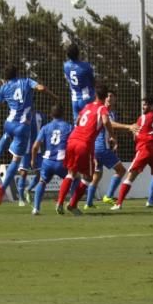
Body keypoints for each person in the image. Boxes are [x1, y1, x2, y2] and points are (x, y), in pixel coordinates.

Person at [56, 84, 136, 215]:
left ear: (95, 95)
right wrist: (112, 136)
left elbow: (77, 121)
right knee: (87, 177)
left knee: (71, 173)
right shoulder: (102, 108)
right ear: (105, 97)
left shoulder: (87, 107)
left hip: (72, 140)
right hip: (85, 143)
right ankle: (72, 205)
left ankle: (60, 202)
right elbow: (105, 121)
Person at [0, 66, 57, 205]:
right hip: (22, 127)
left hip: (9, 123)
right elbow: (41, 88)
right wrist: (52, 95)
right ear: (17, 74)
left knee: (6, 135)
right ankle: (3, 188)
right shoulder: (26, 81)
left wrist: (3, 89)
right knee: (15, 161)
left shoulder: (4, 87)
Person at [111, 97, 153, 210]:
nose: (143, 107)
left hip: (145, 149)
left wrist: (137, 137)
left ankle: (118, 203)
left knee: (130, 177)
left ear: (151, 106)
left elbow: (137, 133)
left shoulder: (142, 118)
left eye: (145, 105)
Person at [28, 104, 74, 215]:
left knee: (42, 182)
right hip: (61, 161)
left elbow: (35, 147)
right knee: (74, 178)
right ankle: (70, 203)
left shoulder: (45, 128)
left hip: (47, 161)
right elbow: (73, 144)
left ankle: (36, 208)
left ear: (51, 114)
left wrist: (33, 160)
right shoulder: (68, 127)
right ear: (63, 114)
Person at [84, 91, 126, 207]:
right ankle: (108, 196)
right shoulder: (104, 111)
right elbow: (110, 123)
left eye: (111, 96)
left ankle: (88, 204)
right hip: (102, 148)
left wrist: (114, 139)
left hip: (95, 148)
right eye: (107, 96)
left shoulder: (105, 111)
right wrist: (128, 126)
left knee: (97, 176)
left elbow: (107, 129)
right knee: (121, 170)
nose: (108, 98)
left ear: (115, 100)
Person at [63, 43, 95, 119]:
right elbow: (92, 81)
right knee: (88, 124)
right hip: (86, 98)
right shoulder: (86, 66)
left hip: (74, 99)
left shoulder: (66, 66)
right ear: (78, 53)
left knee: (76, 125)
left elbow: (68, 78)